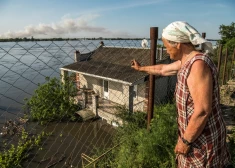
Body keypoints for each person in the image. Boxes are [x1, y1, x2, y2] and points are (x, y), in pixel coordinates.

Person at [131, 21, 232, 168]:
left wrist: (185, 141)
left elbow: (203, 110)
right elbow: (162, 70)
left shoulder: (197, 65)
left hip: (202, 140)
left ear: (178, 44)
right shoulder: (187, 61)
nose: (165, 51)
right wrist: (141, 68)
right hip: (197, 137)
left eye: (166, 46)